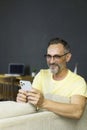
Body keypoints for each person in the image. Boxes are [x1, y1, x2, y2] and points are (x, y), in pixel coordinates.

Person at [17, 37, 87, 119]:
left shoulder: (78, 81)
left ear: (67, 57)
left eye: (57, 56)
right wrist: (24, 100)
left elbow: (77, 112)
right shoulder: (41, 75)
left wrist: (43, 103)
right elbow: (33, 104)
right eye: (49, 56)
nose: (51, 61)